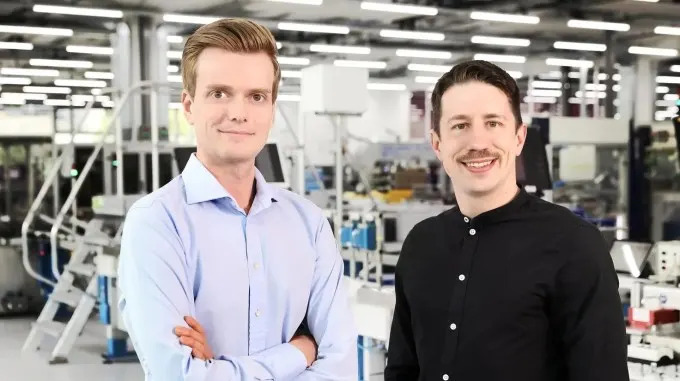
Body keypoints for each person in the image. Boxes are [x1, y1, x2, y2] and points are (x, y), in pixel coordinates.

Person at [117, 18, 357, 381]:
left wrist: (218, 369)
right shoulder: (156, 223)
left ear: (272, 109)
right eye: (219, 93)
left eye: (256, 96)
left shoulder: (308, 223)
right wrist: (298, 351)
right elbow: (179, 375)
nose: (239, 112)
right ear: (188, 106)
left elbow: (338, 366)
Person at [384, 60, 628, 381]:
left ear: (519, 138)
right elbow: (403, 369)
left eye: (493, 123)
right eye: (460, 125)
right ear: (437, 144)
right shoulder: (421, 244)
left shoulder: (573, 245)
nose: (478, 143)